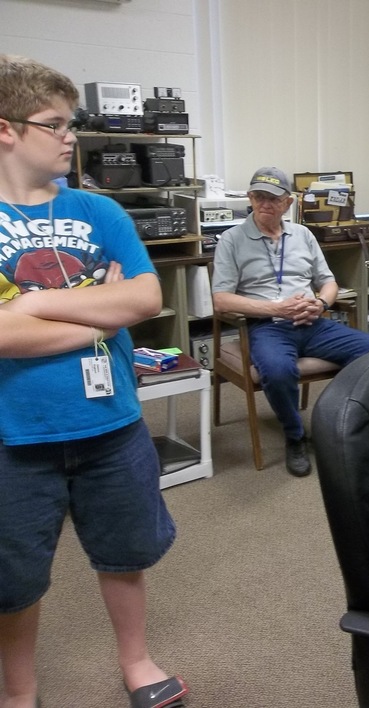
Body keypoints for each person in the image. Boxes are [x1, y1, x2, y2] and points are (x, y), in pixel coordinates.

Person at [0, 55, 188, 708]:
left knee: (124, 552)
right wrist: (95, 317)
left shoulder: (99, 211)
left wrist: (34, 307)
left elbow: (145, 298)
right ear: (6, 130)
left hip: (112, 424)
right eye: (53, 124)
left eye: (70, 122)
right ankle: (18, 691)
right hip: (15, 437)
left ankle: (136, 661)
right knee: (13, 578)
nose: (69, 136)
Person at [211, 166, 369, 476]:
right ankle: (295, 436)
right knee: (277, 371)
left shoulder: (303, 235)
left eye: (273, 199)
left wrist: (320, 303)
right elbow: (221, 299)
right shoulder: (232, 240)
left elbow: (328, 282)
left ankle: (343, 421)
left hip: (312, 322)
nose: (265, 204)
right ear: (250, 198)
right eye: (258, 197)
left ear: (288, 203)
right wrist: (276, 309)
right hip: (268, 326)